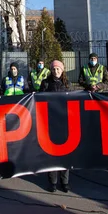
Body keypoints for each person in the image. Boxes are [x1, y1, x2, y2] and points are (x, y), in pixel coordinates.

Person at [40, 60, 71, 193]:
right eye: (53, 69)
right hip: (50, 121)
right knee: (51, 153)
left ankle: (65, 182)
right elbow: (40, 100)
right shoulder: (46, 83)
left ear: (62, 70)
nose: (56, 72)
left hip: (64, 121)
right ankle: (52, 182)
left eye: (58, 69)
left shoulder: (67, 84)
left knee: (65, 153)